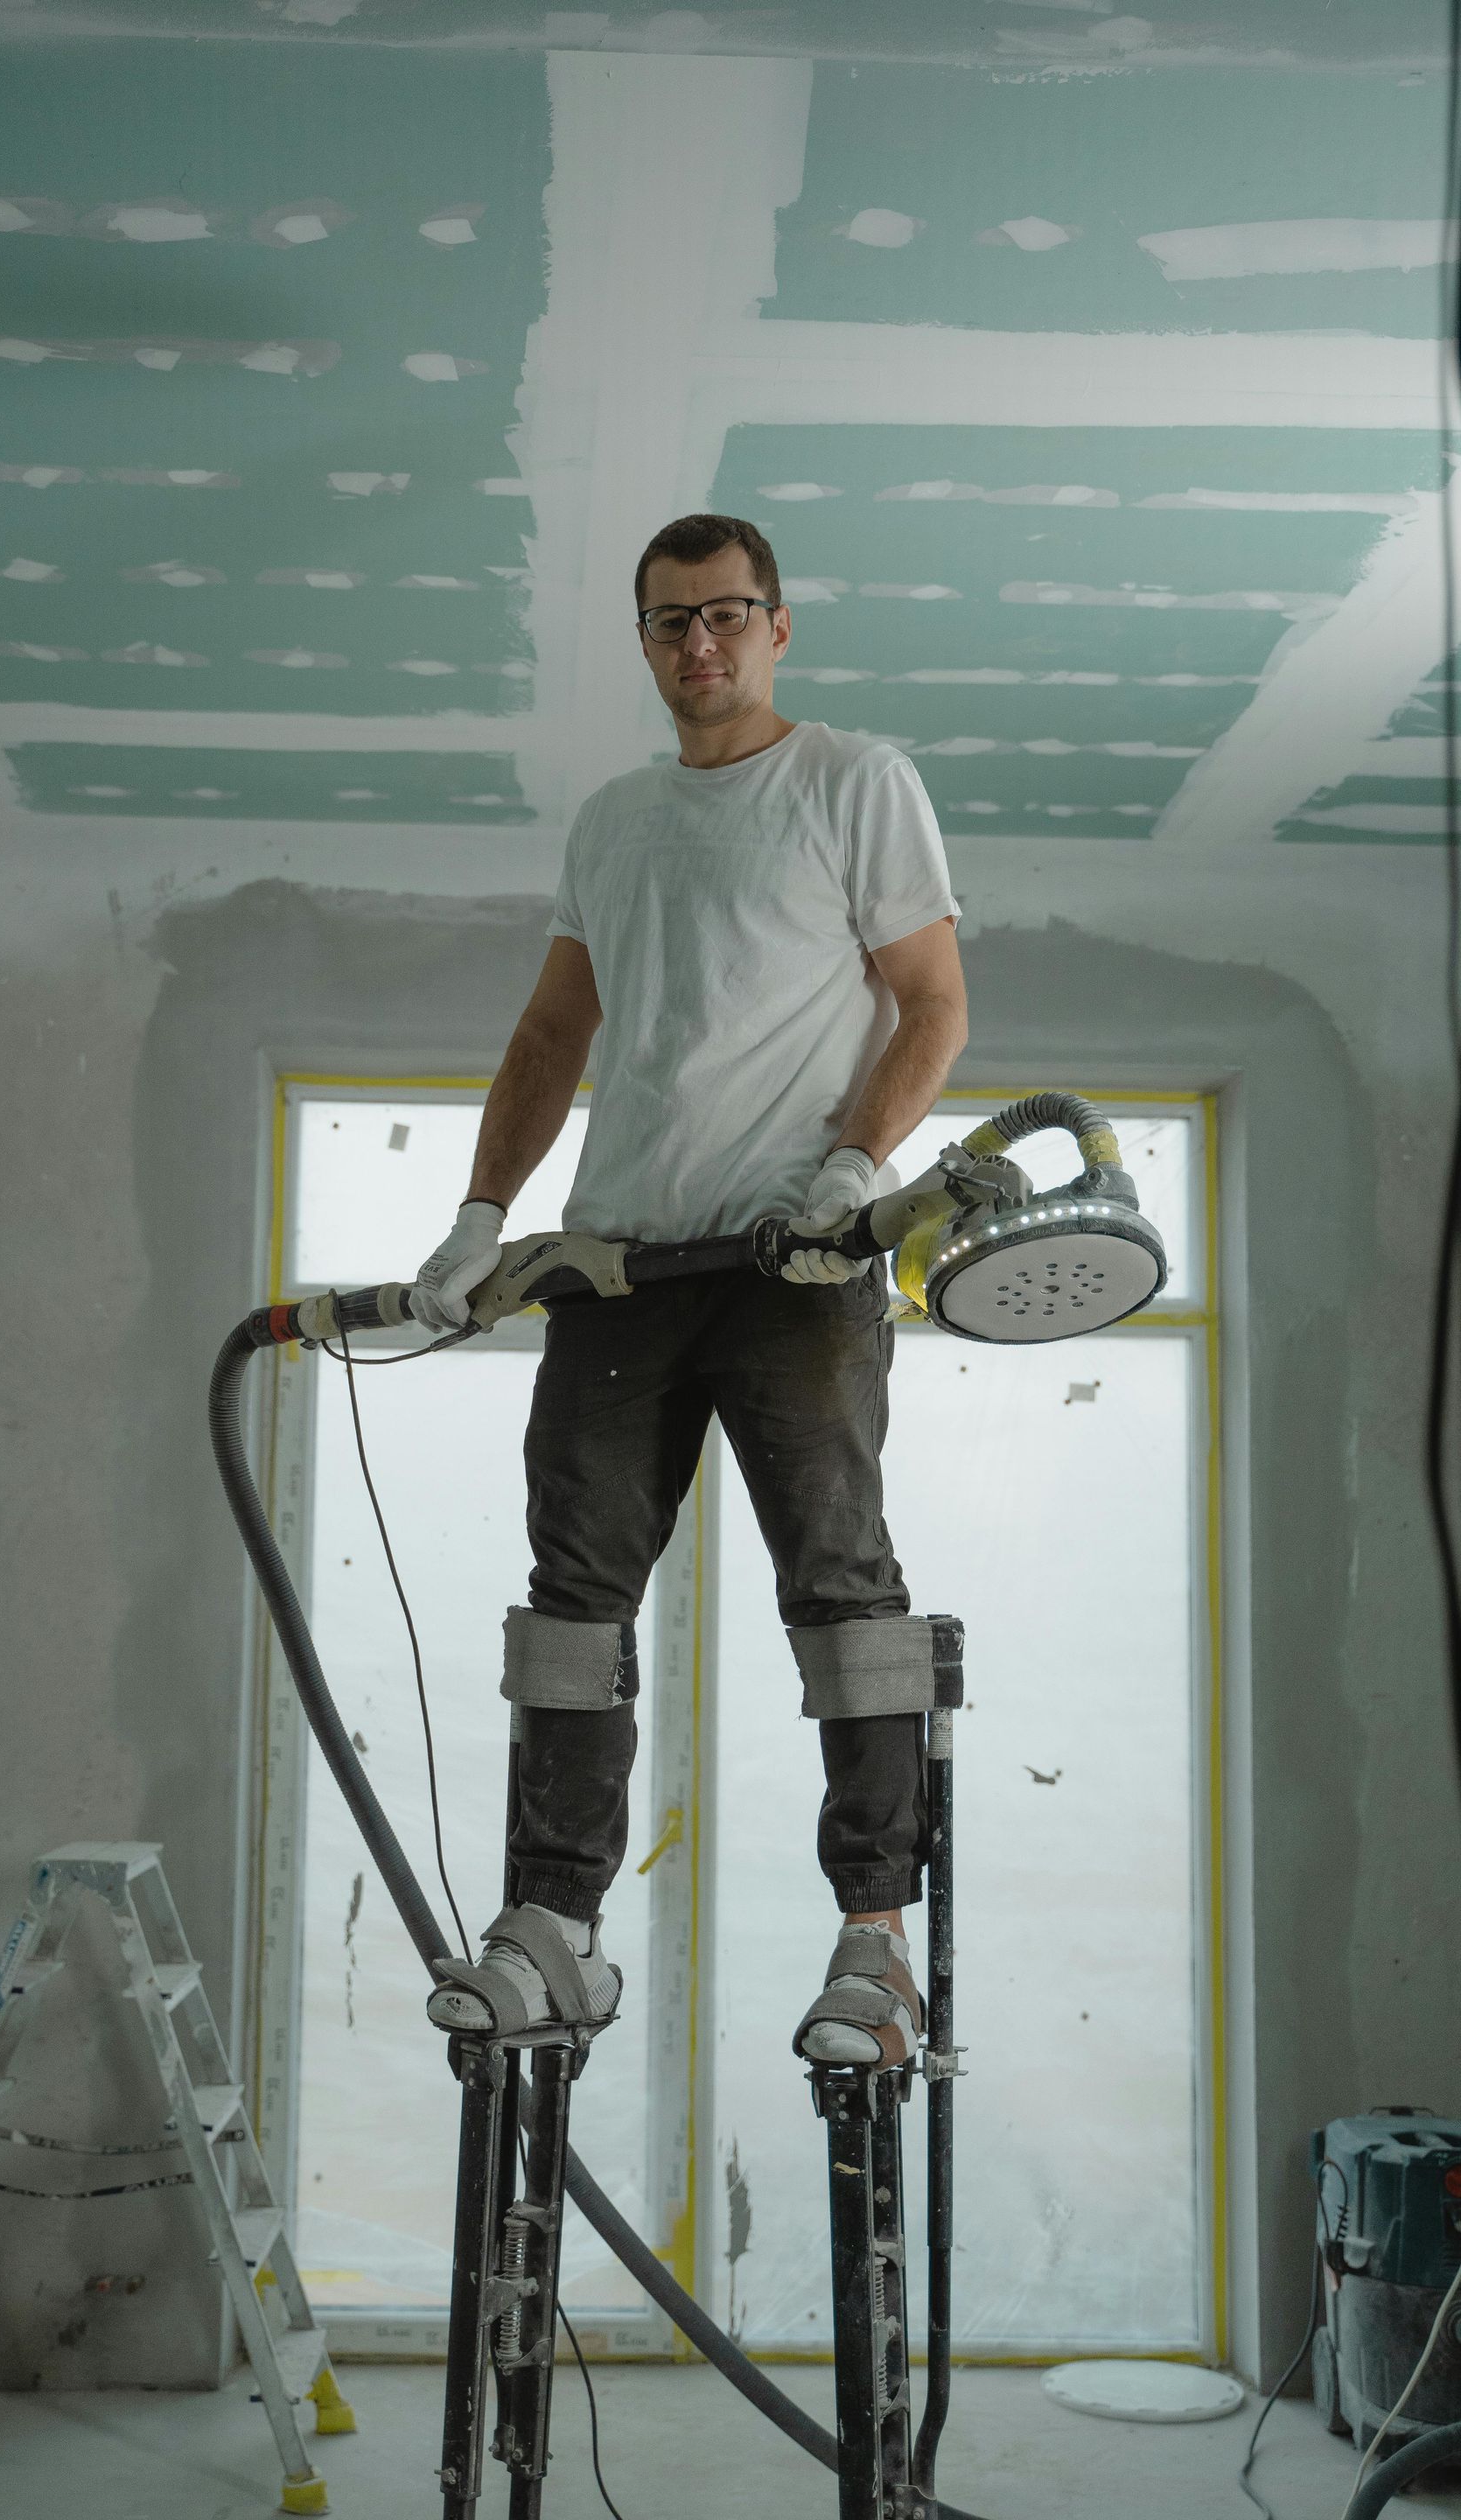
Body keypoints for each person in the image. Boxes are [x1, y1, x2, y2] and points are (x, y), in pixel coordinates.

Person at [409, 512, 966, 2068]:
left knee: (842, 1591)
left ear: (778, 625)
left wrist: (852, 1168)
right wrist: (479, 1217)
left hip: (796, 1257)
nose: (699, 643)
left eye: (727, 614)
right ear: (646, 641)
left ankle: (875, 1945)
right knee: (571, 1600)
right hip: (619, 1265)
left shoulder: (854, 781)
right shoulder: (613, 822)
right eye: (670, 621)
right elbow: (552, 1034)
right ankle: (557, 1928)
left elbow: (933, 1002)